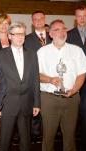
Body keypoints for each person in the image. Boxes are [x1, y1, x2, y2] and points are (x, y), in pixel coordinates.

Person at [36, 19, 86, 151]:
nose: (62, 32)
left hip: (71, 98)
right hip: (49, 99)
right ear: (50, 34)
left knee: (70, 134)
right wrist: (50, 80)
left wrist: (75, 89)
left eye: (64, 29)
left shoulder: (76, 50)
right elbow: (35, 75)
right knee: (48, 134)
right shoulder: (42, 52)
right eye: (58, 29)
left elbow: (82, 73)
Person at [0, 22, 40, 151]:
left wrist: (37, 103)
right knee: (5, 140)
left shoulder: (32, 54)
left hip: (27, 103)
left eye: (22, 34)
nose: (20, 37)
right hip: (7, 104)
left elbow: (35, 79)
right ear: (9, 36)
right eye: (16, 34)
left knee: (25, 140)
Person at [24, 10, 52, 143]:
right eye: (35, 19)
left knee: (50, 110)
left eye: (41, 18)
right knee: (35, 106)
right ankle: (35, 135)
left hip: (53, 79)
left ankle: (49, 134)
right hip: (34, 78)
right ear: (32, 22)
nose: (39, 21)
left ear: (45, 18)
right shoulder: (27, 39)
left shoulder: (53, 36)